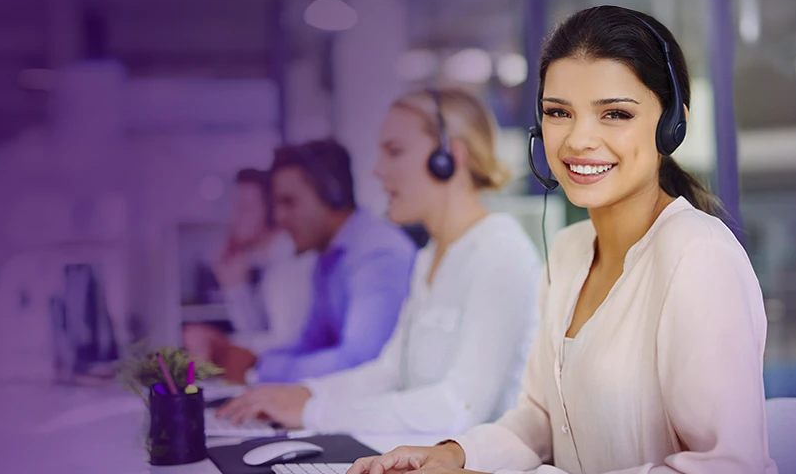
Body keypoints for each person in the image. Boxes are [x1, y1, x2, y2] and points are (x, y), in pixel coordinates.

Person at [336, 6, 780, 474]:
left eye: (615, 114)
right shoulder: (568, 252)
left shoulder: (699, 257)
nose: (578, 140)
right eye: (558, 112)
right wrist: (450, 456)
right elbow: (541, 421)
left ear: (671, 126)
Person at [216, 87, 540, 434]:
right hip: (421, 460)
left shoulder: (500, 251)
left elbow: (459, 405)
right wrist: (302, 393)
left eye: (394, 151)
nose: (378, 170)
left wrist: (316, 413)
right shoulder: (430, 256)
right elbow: (388, 372)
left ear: (449, 159)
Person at [184, 139, 415, 383]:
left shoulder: (377, 254)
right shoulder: (327, 260)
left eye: (289, 202)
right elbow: (309, 346)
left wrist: (257, 371)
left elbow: (361, 362)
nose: (279, 218)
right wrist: (247, 359)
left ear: (332, 195)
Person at [184, 168, 314, 358]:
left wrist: (220, 344)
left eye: (244, 208)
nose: (234, 218)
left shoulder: (289, 266)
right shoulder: (269, 265)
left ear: (272, 212)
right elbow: (256, 331)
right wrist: (234, 287)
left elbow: (285, 345)